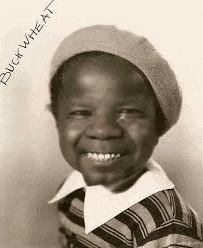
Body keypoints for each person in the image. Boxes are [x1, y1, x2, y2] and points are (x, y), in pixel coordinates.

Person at [48, 25, 203, 247]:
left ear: (158, 125)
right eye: (81, 113)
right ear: (56, 119)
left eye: (128, 113)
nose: (102, 130)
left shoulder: (165, 226)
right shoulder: (71, 194)